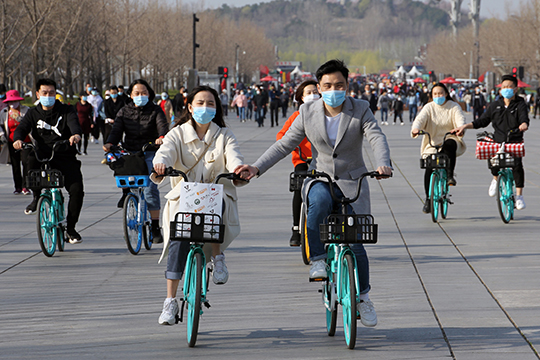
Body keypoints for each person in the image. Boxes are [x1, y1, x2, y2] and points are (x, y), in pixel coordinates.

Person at [235, 59, 392, 328]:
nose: (334, 90)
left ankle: (364, 297)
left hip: (353, 181)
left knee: (356, 243)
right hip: (321, 178)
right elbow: (284, 145)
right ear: (319, 87)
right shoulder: (307, 112)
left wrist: (383, 163)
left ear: (347, 85)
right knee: (316, 203)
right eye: (328, 85)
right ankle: (318, 259)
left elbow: (376, 137)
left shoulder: (361, 109)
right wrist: (256, 167)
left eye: (339, 85)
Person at [151, 86, 246, 325]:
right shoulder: (177, 133)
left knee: (215, 204)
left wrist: (237, 170)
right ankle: (170, 301)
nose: (205, 108)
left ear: (217, 108)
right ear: (190, 107)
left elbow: (234, 156)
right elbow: (165, 152)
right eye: (200, 103)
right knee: (177, 239)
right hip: (184, 196)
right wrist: (160, 164)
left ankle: (217, 256)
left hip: (216, 193)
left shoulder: (225, 134)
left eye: (210, 103)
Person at [13, 78, 84, 243]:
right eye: (44, 92)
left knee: (77, 191)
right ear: (38, 94)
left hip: (64, 154)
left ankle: (71, 228)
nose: (48, 95)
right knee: (29, 158)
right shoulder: (32, 113)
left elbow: (75, 126)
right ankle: (37, 196)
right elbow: (22, 128)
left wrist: (75, 135)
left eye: (51, 92)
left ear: (56, 93)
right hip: (42, 155)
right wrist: (18, 140)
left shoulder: (66, 111)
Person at [103, 79, 168, 243]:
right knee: (123, 171)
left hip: (150, 151)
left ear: (149, 94)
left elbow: (162, 126)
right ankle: (126, 194)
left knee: (150, 189)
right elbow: (117, 129)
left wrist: (161, 137)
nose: (140, 96)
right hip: (130, 151)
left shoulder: (155, 110)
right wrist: (110, 143)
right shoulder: (124, 111)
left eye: (144, 92)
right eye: (137, 93)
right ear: (130, 95)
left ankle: (154, 226)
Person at [452, 74, 529, 210]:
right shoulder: (495, 105)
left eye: (509, 87)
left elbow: (524, 117)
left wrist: (523, 124)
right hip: (498, 140)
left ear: (515, 89)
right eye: (504, 87)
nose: (506, 89)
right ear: (500, 89)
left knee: (517, 165)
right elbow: (482, 121)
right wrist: (465, 126)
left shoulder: (520, 104)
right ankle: (495, 179)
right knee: (493, 160)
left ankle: (519, 196)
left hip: (514, 140)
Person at [411, 83, 467, 213]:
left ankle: (449, 175)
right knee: (429, 166)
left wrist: (460, 128)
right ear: (431, 95)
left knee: (449, 145)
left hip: (450, 138)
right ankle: (428, 199)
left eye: (440, 93)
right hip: (432, 142)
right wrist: (416, 129)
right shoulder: (429, 107)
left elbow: (460, 119)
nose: (438, 96)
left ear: (446, 94)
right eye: (435, 94)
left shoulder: (454, 107)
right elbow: (420, 119)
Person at [276, 79, 318, 246]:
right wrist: (295, 148)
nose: (313, 95)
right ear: (301, 97)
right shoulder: (296, 116)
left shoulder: (327, 115)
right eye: (309, 93)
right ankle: (296, 228)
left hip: (323, 160)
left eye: (316, 92)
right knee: (299, 188)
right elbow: (281, 136)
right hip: (302, 159)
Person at [0, 90, 32, 194]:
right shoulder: (4, 112)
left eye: (15, 101)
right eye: (10, 102)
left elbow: (30, 124)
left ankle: (25, 186)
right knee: (15, 164)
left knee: (26, 163)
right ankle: (18, 186)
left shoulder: (26, 110)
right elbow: (1, 126)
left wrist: (21, 119)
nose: (13, 104)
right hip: (11, 141)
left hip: (25, 141)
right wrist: (1, 135)